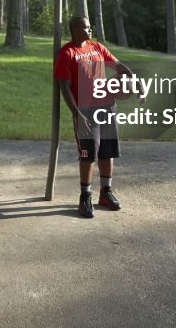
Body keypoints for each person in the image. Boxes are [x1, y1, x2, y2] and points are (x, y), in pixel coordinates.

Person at [53, 15, 134, 218]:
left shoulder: (97, 47)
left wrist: (133, 79)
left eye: (90, 27)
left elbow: (117, 65)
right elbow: (64, 87)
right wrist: (77, 113)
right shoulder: (67, 53)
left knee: (107, 152)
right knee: (88, 155)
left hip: (106, 107)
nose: (89, 30)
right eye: (86, 27)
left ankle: (106, 193)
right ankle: (85, 196)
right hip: (85, 111)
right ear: (74, 29)